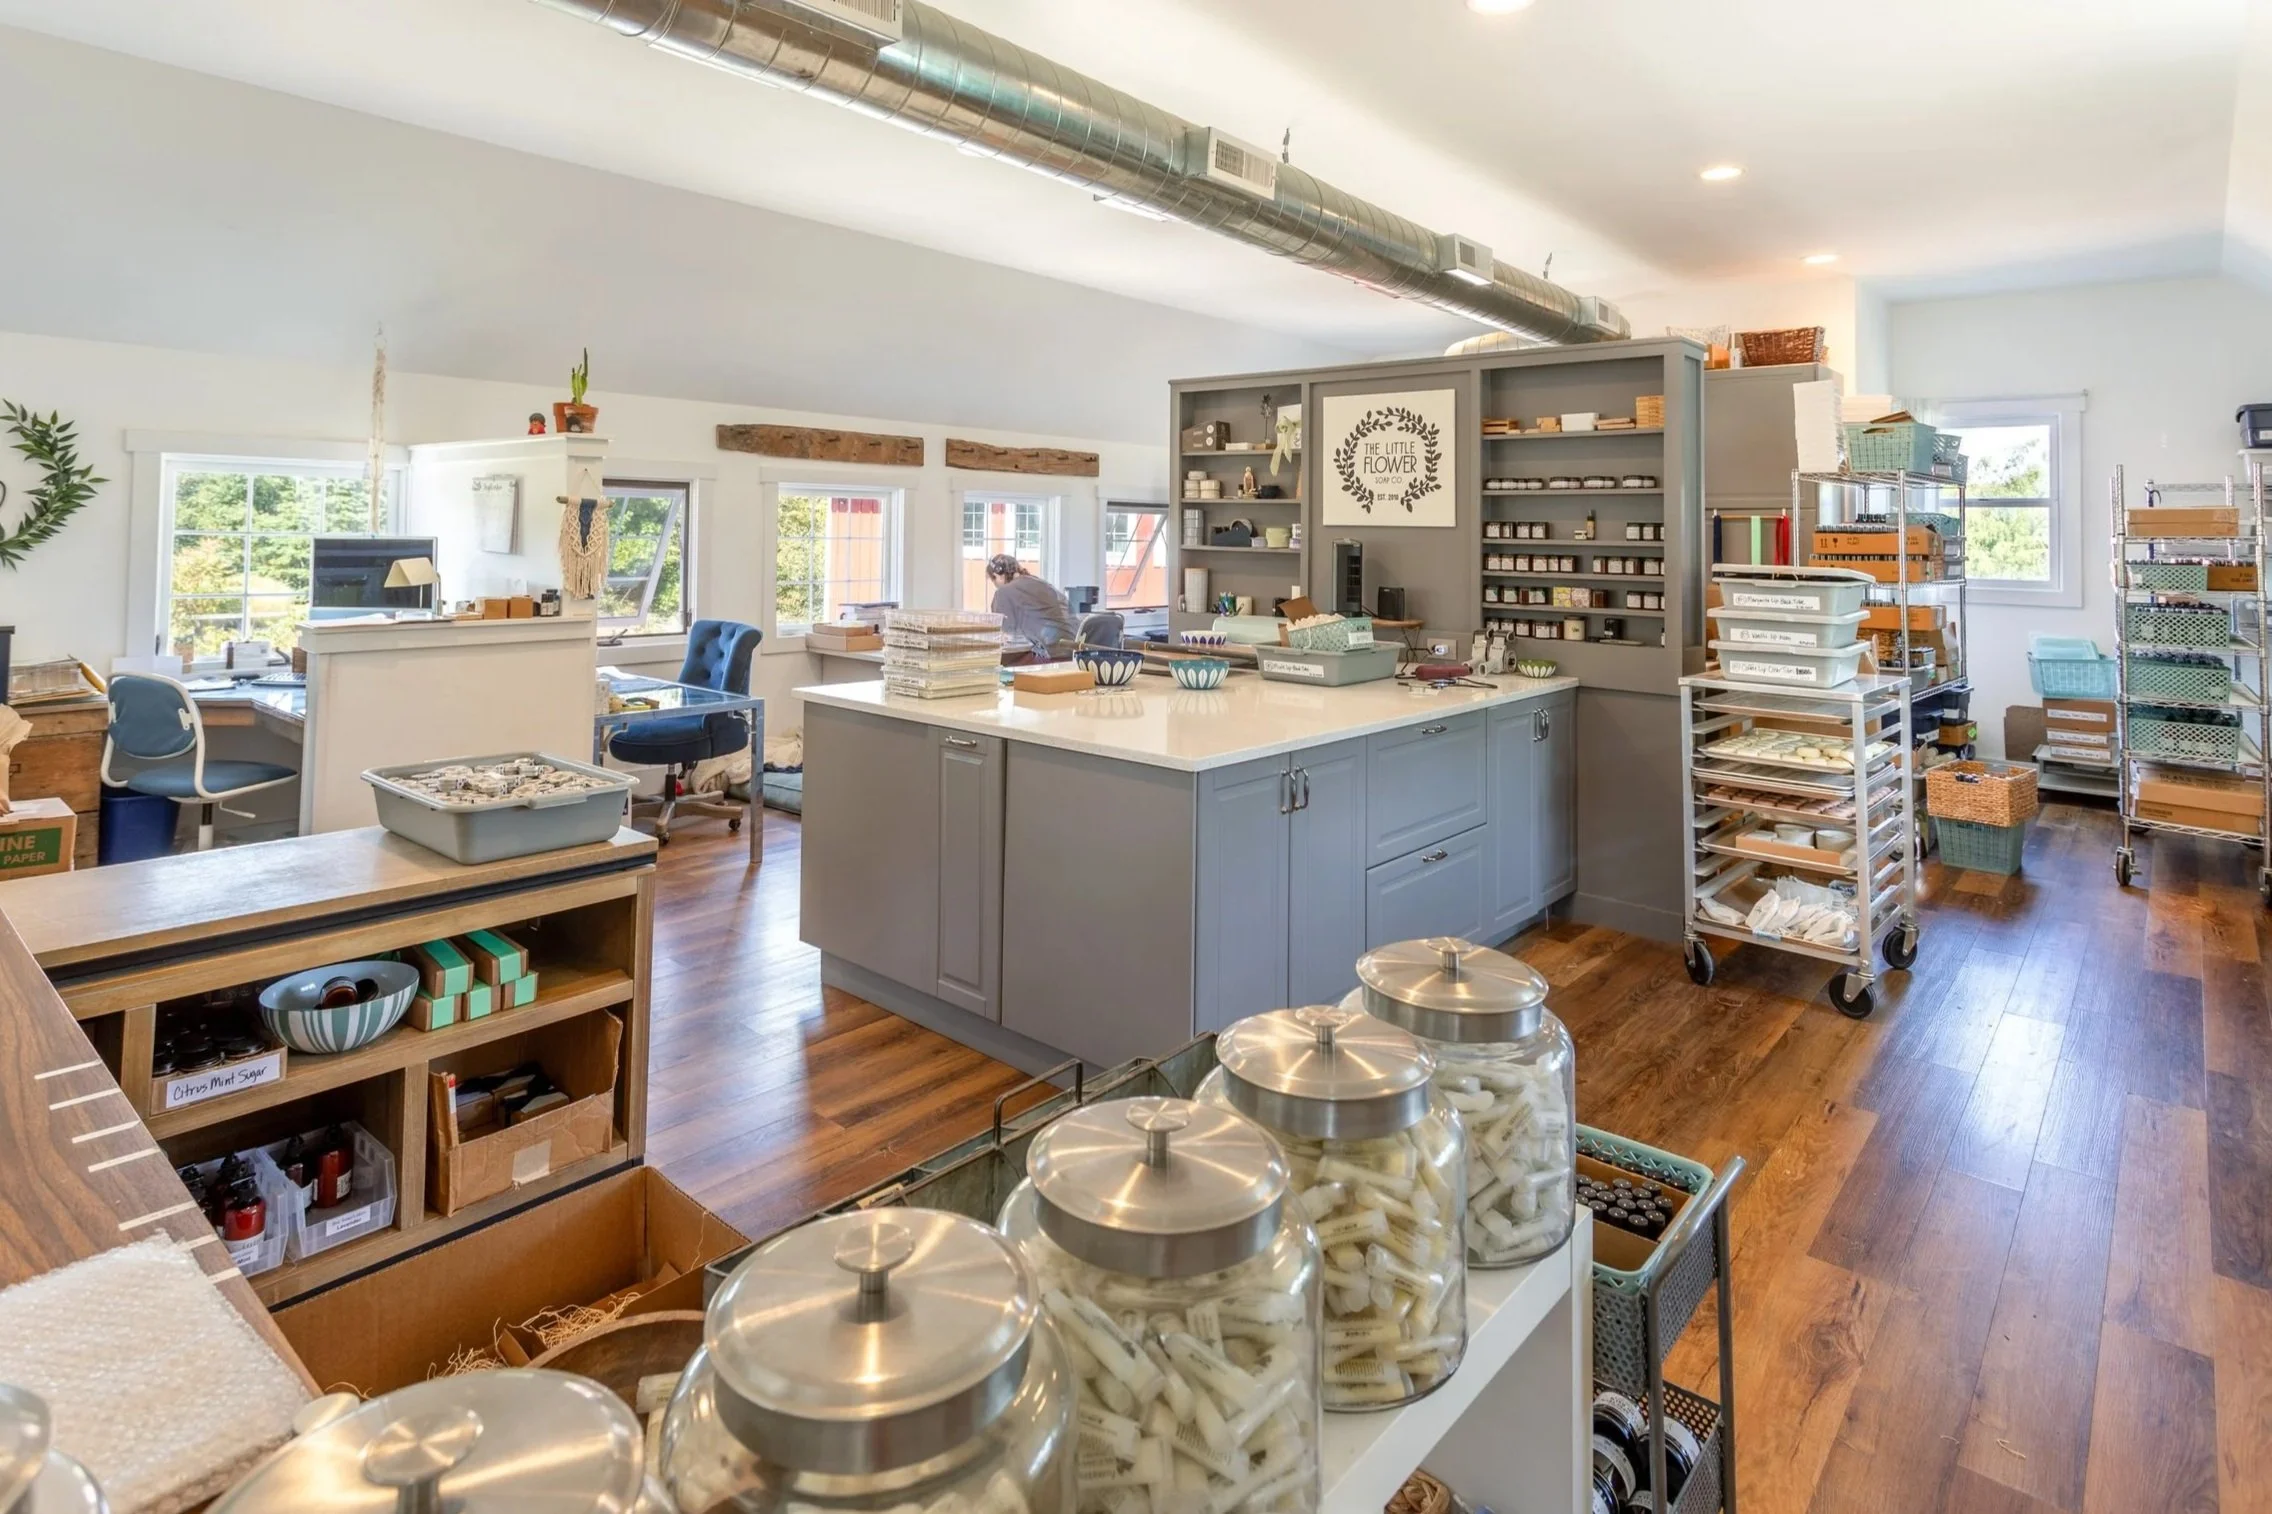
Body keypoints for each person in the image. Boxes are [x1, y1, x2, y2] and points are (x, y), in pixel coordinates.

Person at [985, 554, 1079, 664]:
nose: (995, 585)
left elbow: (1005, 635)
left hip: (1050, 655)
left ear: (999, 575)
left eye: (994, 580)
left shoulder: (1003, 593)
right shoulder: (1041, 583)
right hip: (1074, 652)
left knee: (1003, 665)